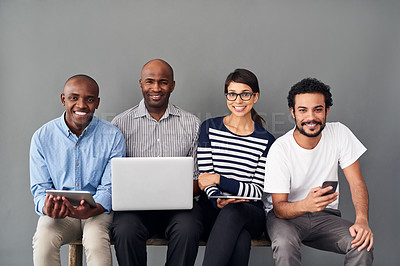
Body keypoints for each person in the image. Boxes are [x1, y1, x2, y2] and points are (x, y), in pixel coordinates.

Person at [264, 78, 374, 265]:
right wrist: (306, 204)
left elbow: (357, 183)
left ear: (326, 111)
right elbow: (279, 208)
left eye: (317, 109)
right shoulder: (280, 148)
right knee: (284, 244)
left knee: (361, 245)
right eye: (302, 110)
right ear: (293, 112)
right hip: (286, 217)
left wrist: (362, 220)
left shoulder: (339, 133)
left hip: (325, 217)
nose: (311, 117)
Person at [110, 59, 203, 266]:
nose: (156, 88)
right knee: (124, 229)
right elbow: (113, 177)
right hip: (134, 209)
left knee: (188, 228)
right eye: (149, 81)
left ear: (172, 85)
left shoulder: (191, 124)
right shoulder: (119, 124)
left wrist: (174, 191)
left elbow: (198, 180)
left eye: (163, 82)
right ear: (141, 84)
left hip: (180, 208)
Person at [30, 74, 126, 266]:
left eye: (89, 99)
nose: (81, 105)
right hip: (61, 213)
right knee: (43, 238)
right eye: (74, 97)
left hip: (97, 212)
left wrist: (93, 209)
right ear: (63, 99)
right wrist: (46, 206)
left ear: (97, 103)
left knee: (95, 241)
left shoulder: (113, 136)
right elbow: (40, 189)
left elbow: (109, 187)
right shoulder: (42, 137)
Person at [197, 69, 275, 266]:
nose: (238, 100)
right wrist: (218, 199)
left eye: (245, 94)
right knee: (240, 241)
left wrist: (219, 179)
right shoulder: (209, 128)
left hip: (249, 213)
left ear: (255, 97)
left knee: (234, 211)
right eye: (232, 94)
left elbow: (256, 192)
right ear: (226, 96)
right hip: (213, 209)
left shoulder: (266, 141)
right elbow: (205, 178)